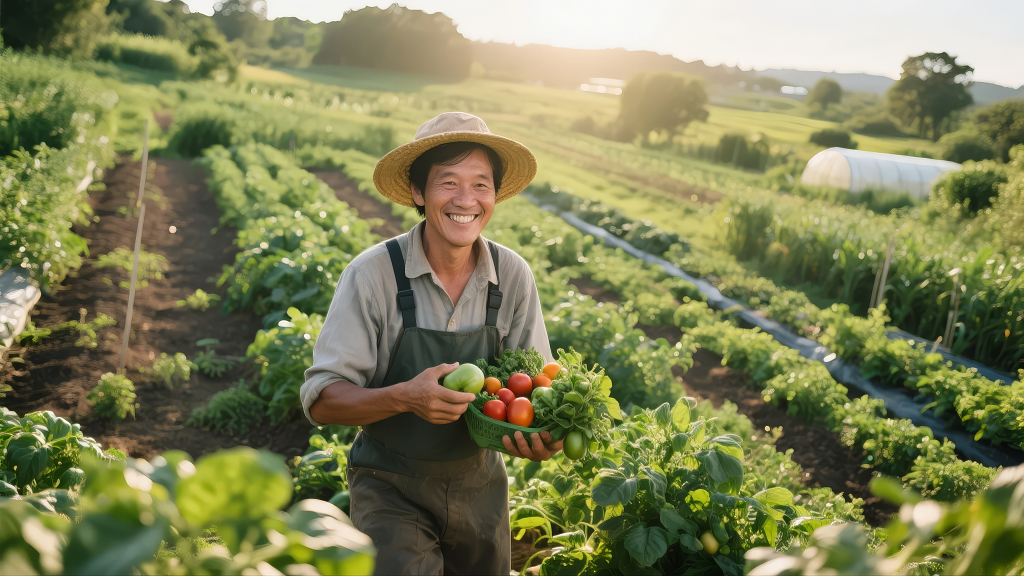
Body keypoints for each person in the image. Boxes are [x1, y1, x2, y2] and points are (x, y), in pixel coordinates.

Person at [301, 111, 562, 575]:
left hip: (480, 488)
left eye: (481, 184)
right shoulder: (374, 275)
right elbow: (323, 402)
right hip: (390, 486)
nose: (467, 200)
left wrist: (539, 434)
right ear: (419, 193)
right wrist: (405, 397)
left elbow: (534, 387)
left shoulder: (513, 276)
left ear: (495, 195)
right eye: (448, 182)